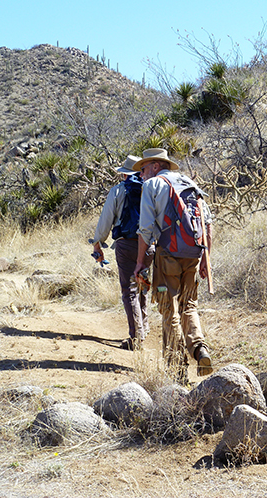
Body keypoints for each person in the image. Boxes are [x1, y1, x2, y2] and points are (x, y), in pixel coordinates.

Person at [132, 148, 214, 381]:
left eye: (145, 168)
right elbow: (207, 223)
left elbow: (145, 229)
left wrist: (140, 263)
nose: (143, 174)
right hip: (194, 254)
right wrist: (206, 260)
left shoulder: (153, 185)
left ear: (156, 166)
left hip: (167, 254)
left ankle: (177, 368)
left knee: (169, 308)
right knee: (189, 305)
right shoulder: (190, 183)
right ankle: (200, 349)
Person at [91, 155, 152, 351]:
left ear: (125, 173)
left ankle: (136, 337)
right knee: (143, 285)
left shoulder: (118, 191)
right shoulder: (151, 187)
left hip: (126, 245)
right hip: (150, 244)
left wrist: (98, 243)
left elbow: (106, 218)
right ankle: (145, 326)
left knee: (129, 290)